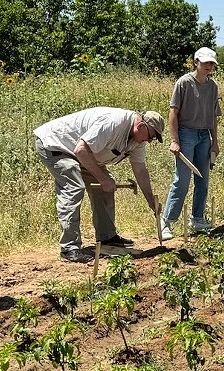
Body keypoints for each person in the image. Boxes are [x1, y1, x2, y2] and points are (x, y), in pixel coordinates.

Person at [33, 108, 164, 262]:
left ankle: (107, 237)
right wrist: (103, 180)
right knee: (74, 187)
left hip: (82, 153)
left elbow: (140, 169)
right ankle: (69, 248)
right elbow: (80, 150)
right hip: (56, 145)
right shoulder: (113, 123)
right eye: (150, 137)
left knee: (106, 187)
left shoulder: (137, 141)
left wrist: (150, 200)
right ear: (141, 126)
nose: (149, 141)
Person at [161, 45, 221, 240]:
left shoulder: (212, 87)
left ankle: (197, 218)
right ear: (196, 62)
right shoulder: (183, 83)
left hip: (204, 136)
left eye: (212, 63)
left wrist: (215, 142)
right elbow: (173, 112)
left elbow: (213, 116)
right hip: (186, 134)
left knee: (203, 179)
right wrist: (174, 140)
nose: (209, 67)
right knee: (182, 180)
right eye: (205, 63)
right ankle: (166, 222)